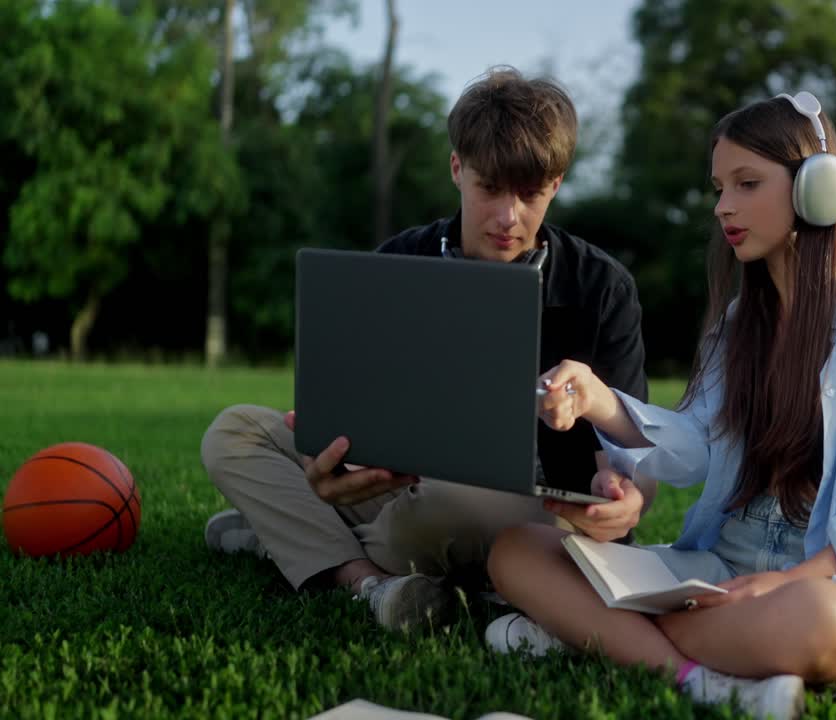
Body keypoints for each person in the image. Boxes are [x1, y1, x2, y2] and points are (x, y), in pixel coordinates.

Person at [484, 91, 836, 720]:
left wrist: (785, 582)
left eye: (747, 184)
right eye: (720, 188)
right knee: (517, 549)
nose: (724, 206)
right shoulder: (737, 321)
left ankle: (591, 633)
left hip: (829, 585)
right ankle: (699, 675)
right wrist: (598, 400)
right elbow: (696, 447)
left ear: (818, 188)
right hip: (716, 569)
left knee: (825, 624)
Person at [199, 67, 651, 632]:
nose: (508, 217)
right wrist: (334, 466)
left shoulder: (602, 287)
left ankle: (292, 539)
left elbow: (636, 455)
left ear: (556, 184)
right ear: (457, 168)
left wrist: (627, 496)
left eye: (531, 194)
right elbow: (360, 412)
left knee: (445, 509)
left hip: (525, 505)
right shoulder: (399, 261)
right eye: (490, 188)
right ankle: (365, 577)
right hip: (401, 488)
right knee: (233, 432)